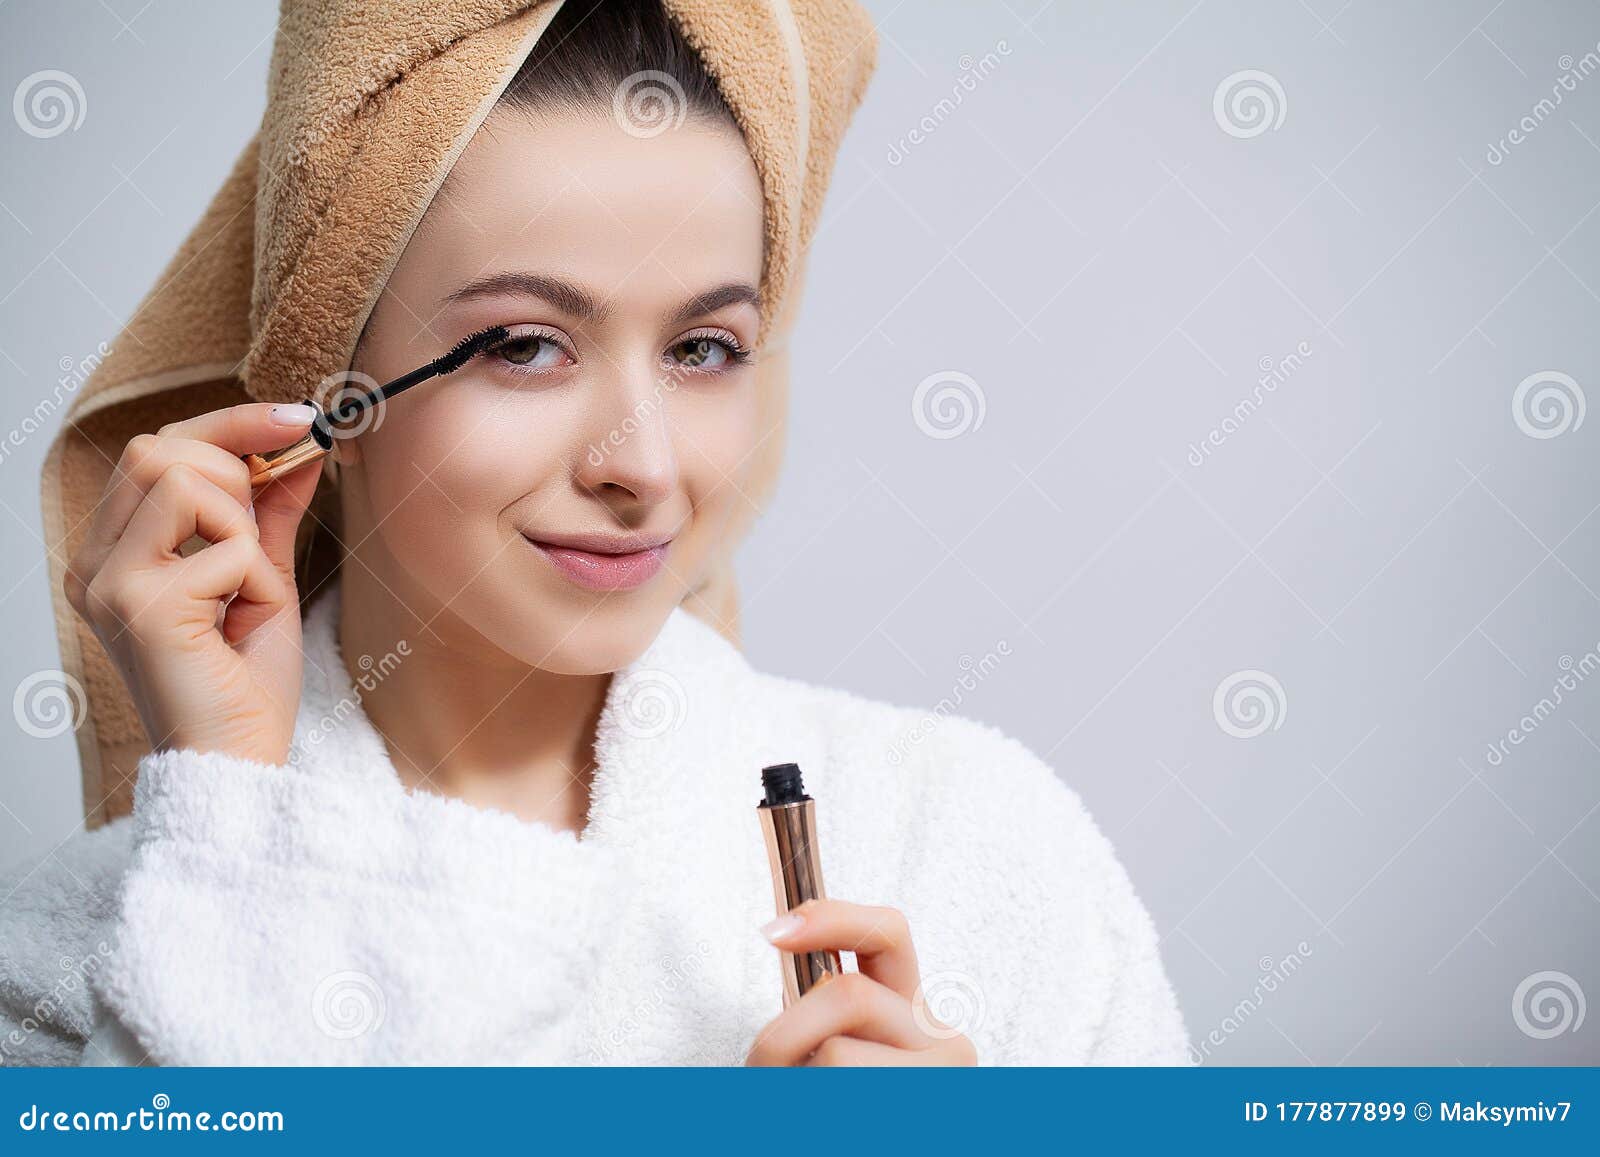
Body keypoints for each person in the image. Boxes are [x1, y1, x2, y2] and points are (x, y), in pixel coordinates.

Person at [2, 0, 1190, 1066]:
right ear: (332, 398)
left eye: (703, 349)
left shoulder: (977, 850)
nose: (645, 465)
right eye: (525, 344)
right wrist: (240, 832)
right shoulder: (72, 968)